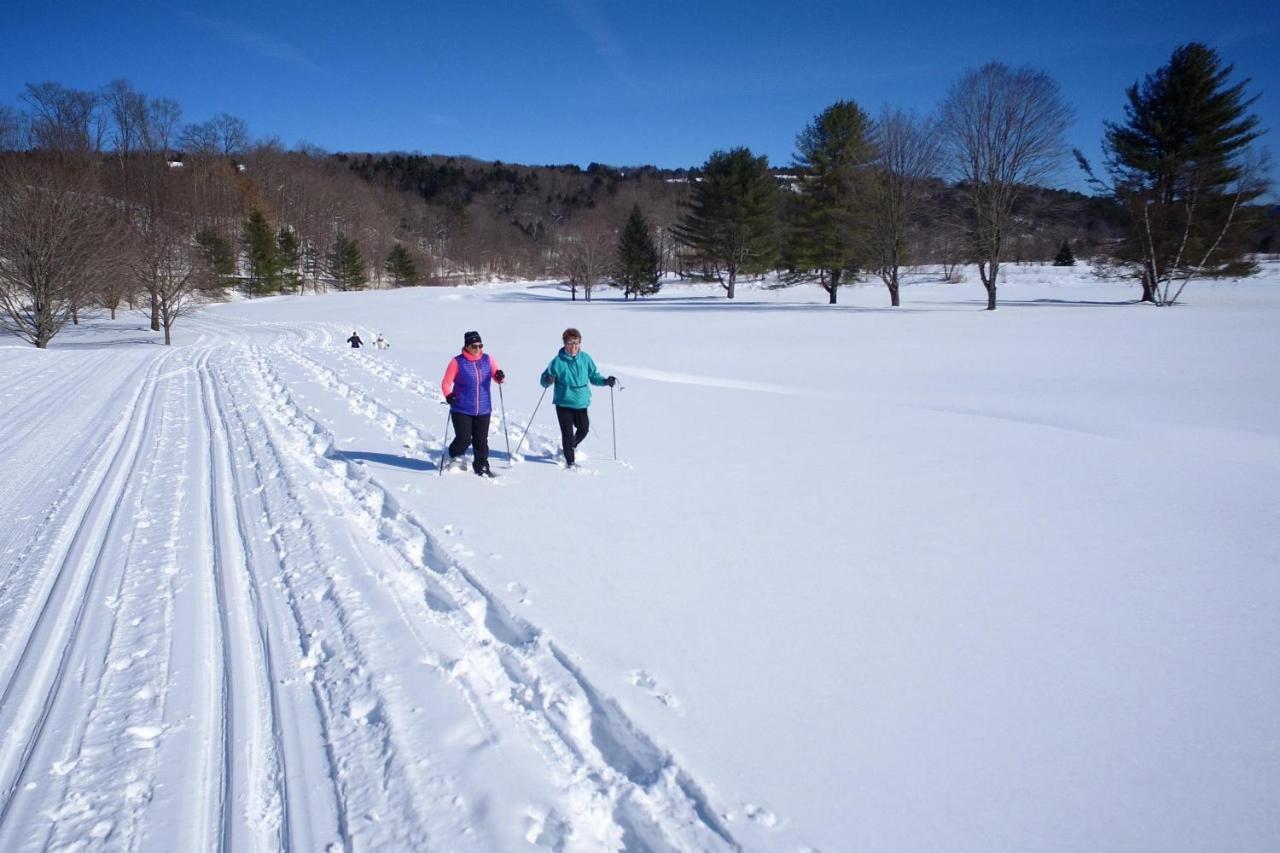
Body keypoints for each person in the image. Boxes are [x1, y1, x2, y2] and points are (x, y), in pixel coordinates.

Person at [540, 327, 615, 468]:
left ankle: (571, 446)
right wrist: (548, 380)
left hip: (581, 403)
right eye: (570, 343)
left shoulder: (585, 358)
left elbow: (593, 376)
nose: (573, 346)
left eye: (576, 343)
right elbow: (543, 380)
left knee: (584, 429)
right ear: (564, 344)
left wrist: (605, 381)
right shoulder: (557, 362)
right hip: (564, 403)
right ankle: (570, 462)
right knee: (567, 433)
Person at [441, 330, 505, 476]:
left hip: (483, 408)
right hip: (462, 408)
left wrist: (499, 376)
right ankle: (454, 453)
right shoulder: (457, 362)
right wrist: (449, 395)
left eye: (480, 346)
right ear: (467, 346)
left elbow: (497, 376)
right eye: (474, 346)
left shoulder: (488, 359)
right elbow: (446, 383)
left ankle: (481, 465)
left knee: (481, 440)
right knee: (464, 438)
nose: (478, 349)